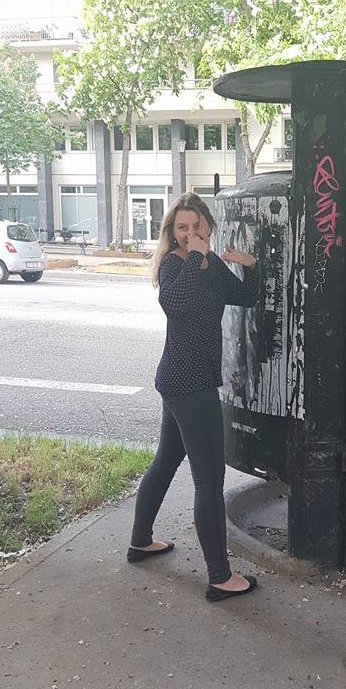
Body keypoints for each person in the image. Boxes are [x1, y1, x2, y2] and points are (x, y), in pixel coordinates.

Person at [128, 191, 259, 602]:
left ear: (207, 226)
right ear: (172, 232)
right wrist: (197, 257)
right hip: (188, 385)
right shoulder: (173, 264)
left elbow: (246, 298)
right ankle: (220, 577)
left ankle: (140, 541)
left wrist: (250, 267)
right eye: (181, 227)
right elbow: (174, 304)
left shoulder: (210, 263)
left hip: (185, 382)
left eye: (196, 226)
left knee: (166, 460)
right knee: (209, 480)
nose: (189, 233)